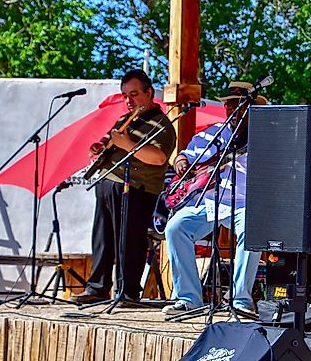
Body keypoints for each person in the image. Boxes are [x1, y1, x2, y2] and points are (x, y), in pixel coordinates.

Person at [72, 69, 176, 305]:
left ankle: (127, 291)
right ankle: (98, 287)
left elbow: (158, 158)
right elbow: (112, 144)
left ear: (149, 93)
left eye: (134, 94)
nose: (129, 101)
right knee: (102, 238)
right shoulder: (124, 120)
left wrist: (127, 143)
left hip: (137, 188)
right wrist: (101, 147)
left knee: (130, 239)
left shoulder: (161, 125)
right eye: (125, 95)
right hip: (109, 183)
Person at [161, 81, 264, 317]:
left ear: (250, 107)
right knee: (176, 227)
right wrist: (181, 161)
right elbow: (187, 154)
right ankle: (188, 299)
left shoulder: (264, 135)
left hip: (245, 203)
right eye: (228, 105)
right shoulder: (216, 132)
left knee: (253, 229)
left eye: (237, 105)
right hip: (211, 201)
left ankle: (240, 299)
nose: (231, 110)